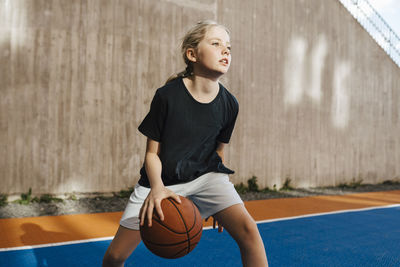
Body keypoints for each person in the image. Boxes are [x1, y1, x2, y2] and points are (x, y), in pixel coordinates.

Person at [102, 20, 268, 267]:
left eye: (229, 47)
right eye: (216, 43)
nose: (226, 51)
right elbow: (151, 154)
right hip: (160, 180)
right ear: (192, 54)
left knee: (249, 232)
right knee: (115, 257)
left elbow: (218, 153)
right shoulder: (167, 96)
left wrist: (222, 203)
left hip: (206, 177)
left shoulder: (230, 104)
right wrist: (157, 188)